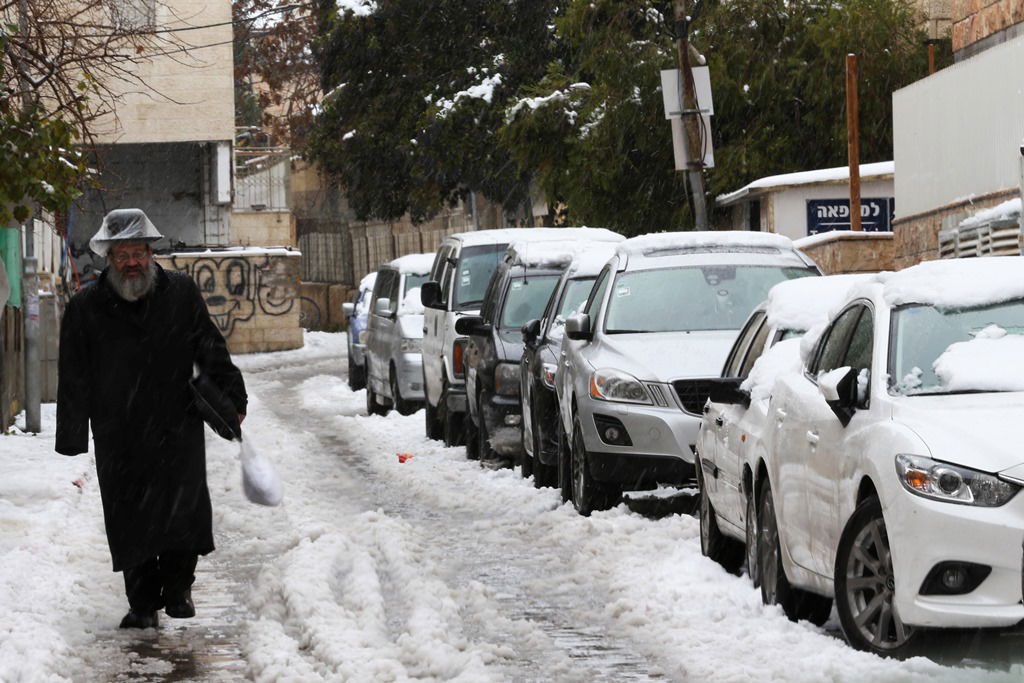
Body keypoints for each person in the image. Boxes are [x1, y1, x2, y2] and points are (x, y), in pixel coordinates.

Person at [56, 208, 247, 629]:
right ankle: (142, 603)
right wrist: (72, 432)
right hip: (118, 430)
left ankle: (178, 589)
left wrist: (233, 395)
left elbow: (209, 345)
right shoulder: (86, 307)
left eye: (138, 253)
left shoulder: (180, 292)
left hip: (175, 422)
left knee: (183, 511)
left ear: (151, 252)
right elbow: (73, 373)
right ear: (109, 257)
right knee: (130, 518)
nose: (132, 262)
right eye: (122, 255)